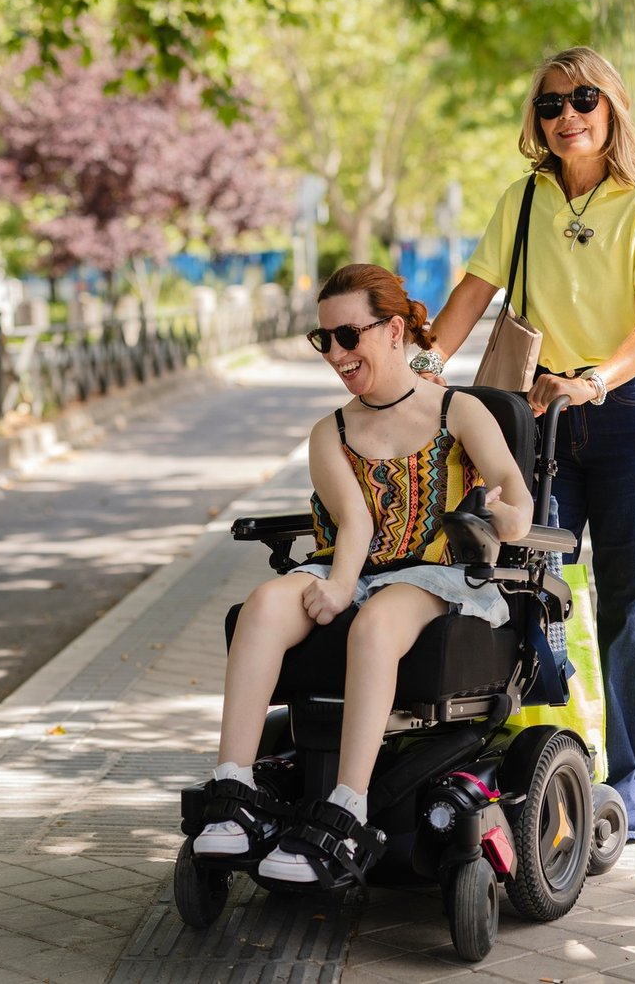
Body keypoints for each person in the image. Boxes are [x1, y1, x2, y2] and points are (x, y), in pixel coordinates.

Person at [412, 45, 635, 841]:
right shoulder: (525, 198)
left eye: (584, 100)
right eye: (551, 105)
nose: (568, 116)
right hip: (540, 421)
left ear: (613, 109)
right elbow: (471, 295)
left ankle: (634, 789)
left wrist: (595, 378)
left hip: (633, 414)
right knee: (533, 590)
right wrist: (421, 369)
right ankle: (553, 763)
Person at [196, 263, 534, 885]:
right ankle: (234, 789)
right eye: (323, 339)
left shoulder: (459, 412)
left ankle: (347, 804)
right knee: (266, 603)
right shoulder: (331, 431)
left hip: (436, 577)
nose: (336, 354)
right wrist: (338, 585)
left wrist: (510, 519)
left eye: (348, 336)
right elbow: (353, 524)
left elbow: (513, 487)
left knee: (376, 623)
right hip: (351, 565)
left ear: (395, 330)